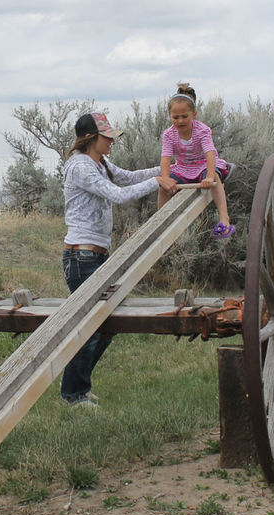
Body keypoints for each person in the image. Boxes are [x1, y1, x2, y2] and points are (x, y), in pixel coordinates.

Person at [61, 112, 178, 406]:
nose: (112, 141)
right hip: (81, 256)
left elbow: (129, 177)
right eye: (107, 136)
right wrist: (159, 182)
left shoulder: (101, 163)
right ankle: (73, 395)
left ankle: (78, 389)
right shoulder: (79, 167)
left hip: (96, 255)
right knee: (91, 327)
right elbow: (119, 195)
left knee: (106, 327)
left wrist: (171, 169)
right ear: (91, 138)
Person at [158, 82, 235, 239]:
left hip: (203, 165)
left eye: (184, 116)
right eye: (175, 117)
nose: (180, 121)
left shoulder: (202, 131)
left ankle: (224, 218)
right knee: (163, 186)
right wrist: (166, 179)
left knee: (215, 178)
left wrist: (209, 176)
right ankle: (161, 221)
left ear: (194, 114)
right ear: (170, 117)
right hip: (183, 167)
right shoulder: (169, 134)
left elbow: (210, 154)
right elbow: (165, 159)